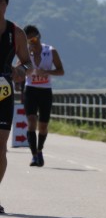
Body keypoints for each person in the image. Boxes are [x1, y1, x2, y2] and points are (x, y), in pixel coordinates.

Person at [0, 0, 32, 214]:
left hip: (3, 93)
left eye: (0, 2)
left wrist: (20, 71)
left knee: (0, 148)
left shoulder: (16, 33)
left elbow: (28, 64)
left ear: (6, 4)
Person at [22, 25, 65, 167]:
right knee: (31, 121)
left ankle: (40, 149)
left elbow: (61, 71)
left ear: (39, 37)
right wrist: (27, 68)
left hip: (45, 91)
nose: (32, 42)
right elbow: (19, 70)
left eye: (34, 39)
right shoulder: (26, 54)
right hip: (31, 90)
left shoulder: (51, 51)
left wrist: (47, 73)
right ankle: (34, 155)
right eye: (29, 40)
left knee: (43, 126)